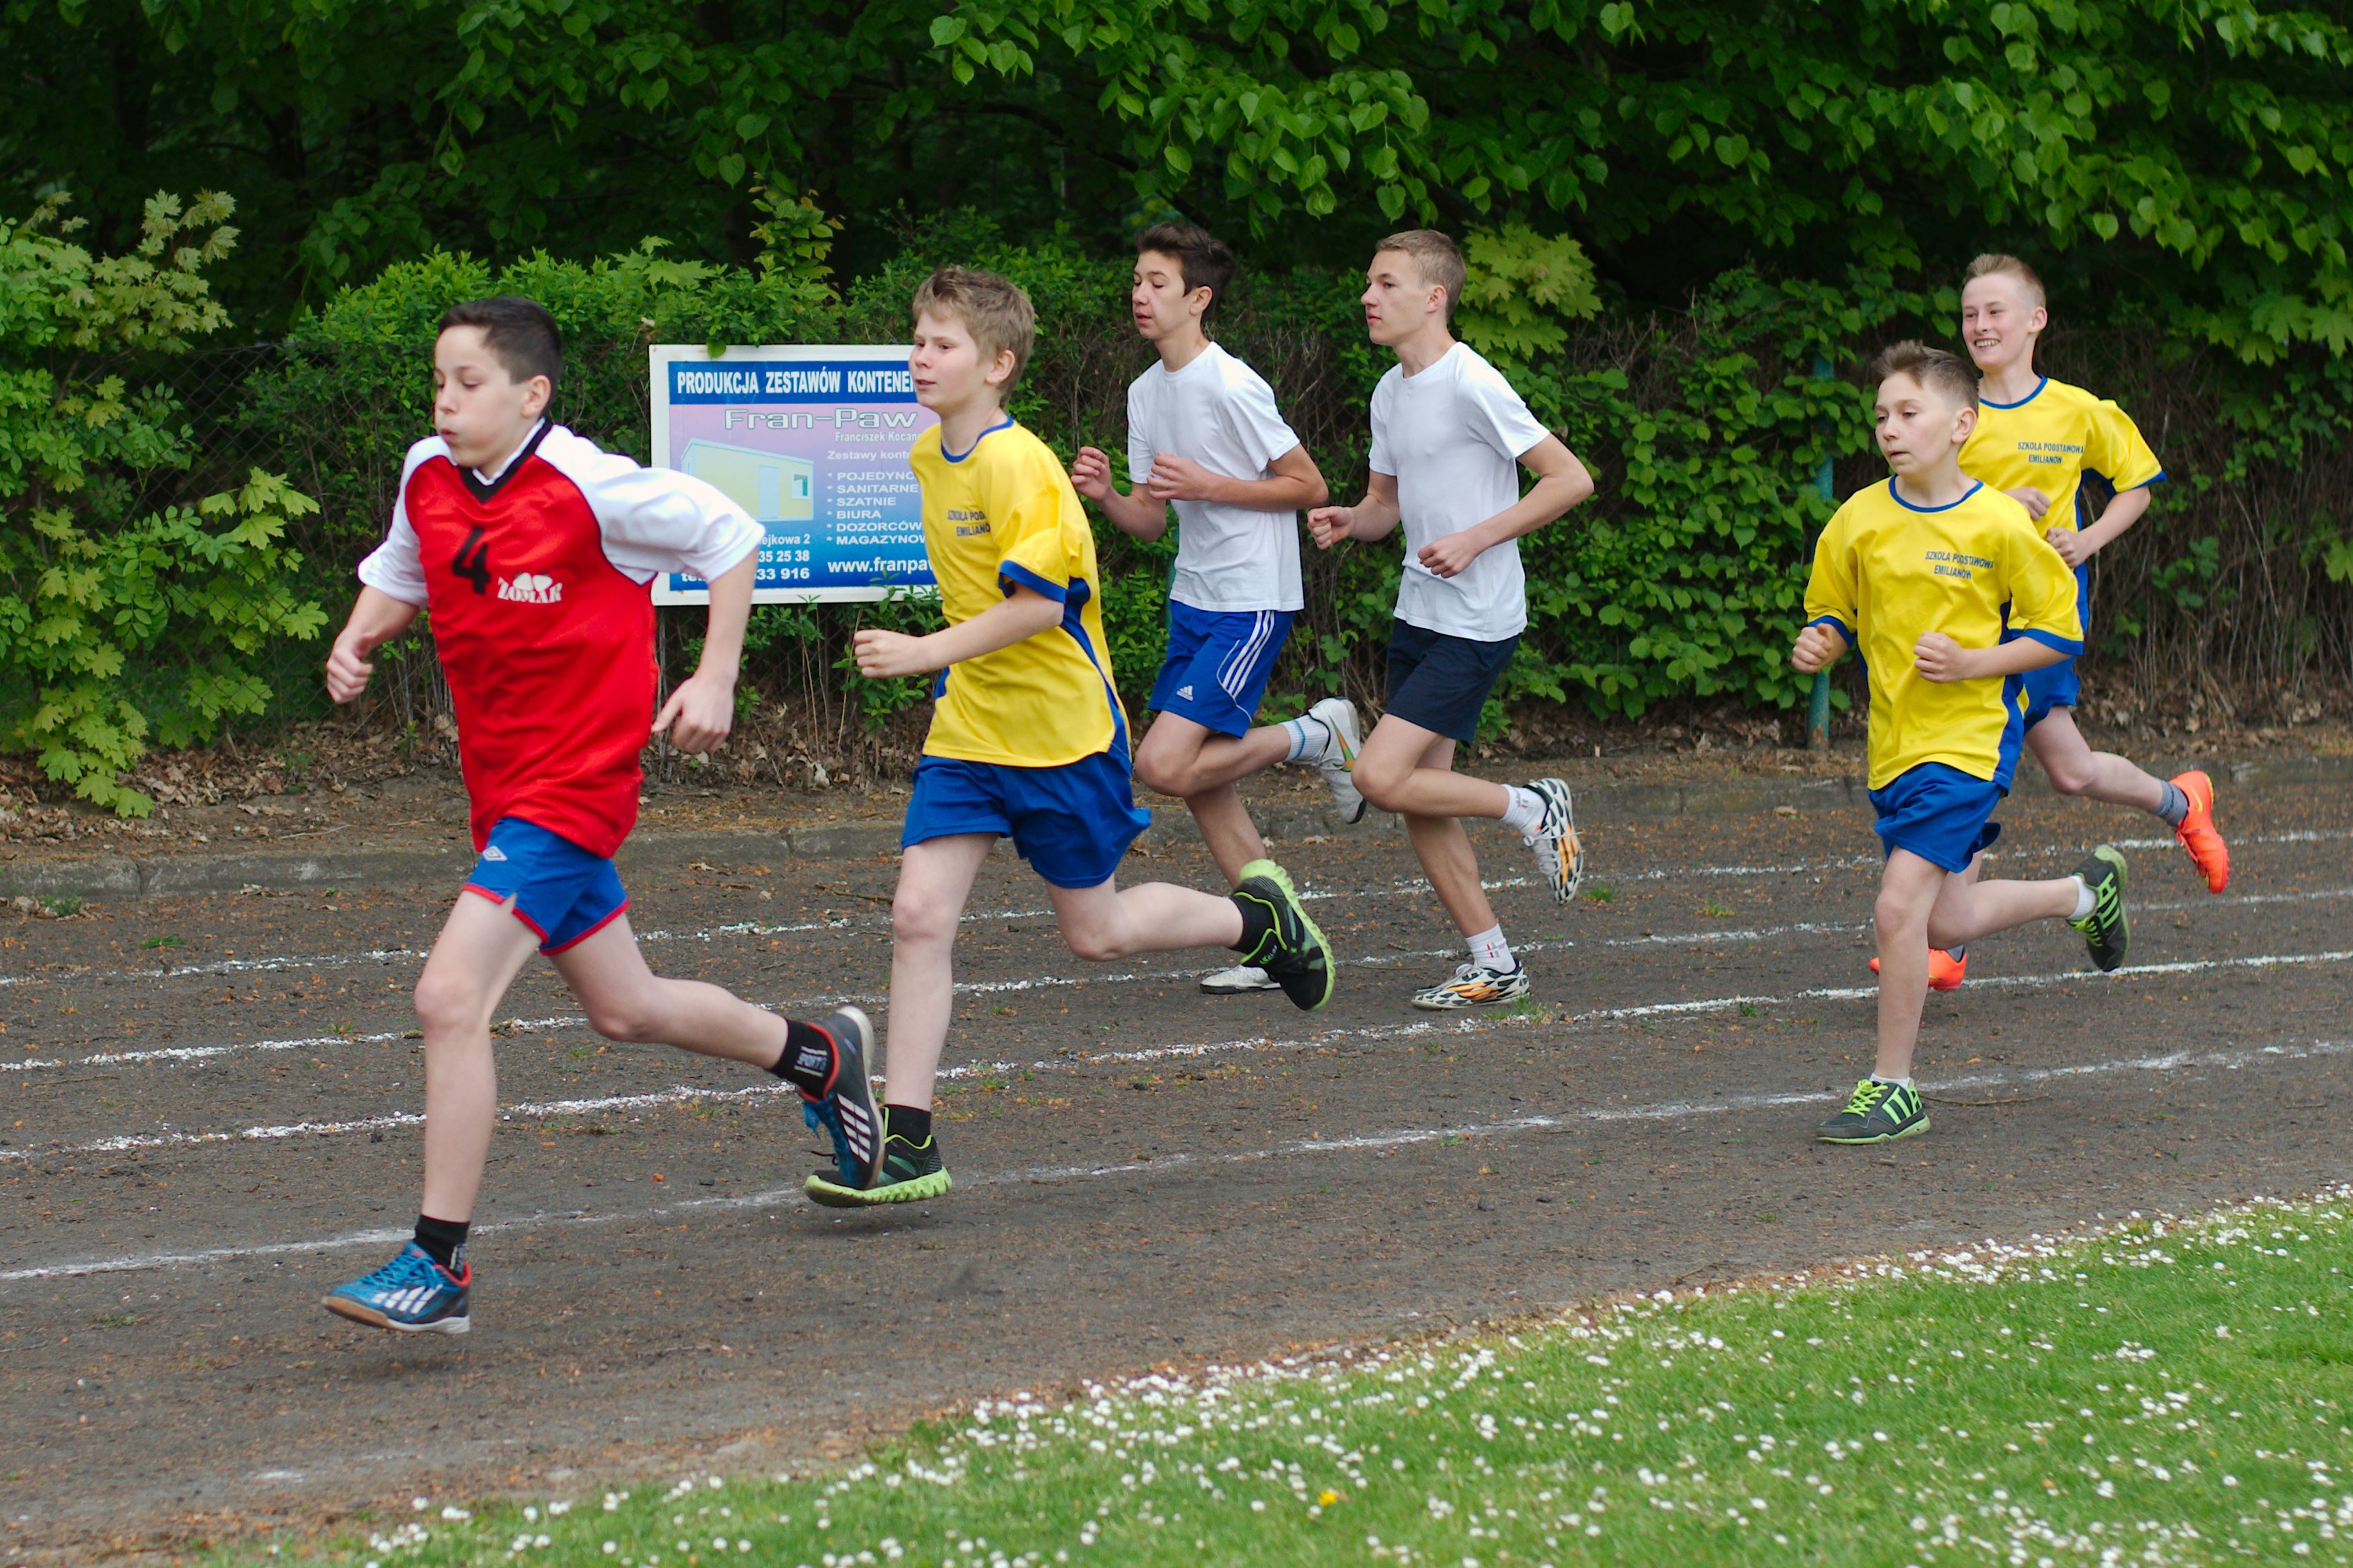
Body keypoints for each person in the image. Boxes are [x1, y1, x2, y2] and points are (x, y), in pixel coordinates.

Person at [316, 296, 882, 1335]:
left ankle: (437, 1264)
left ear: (531, 394)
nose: (445, 401)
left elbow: (732, 536)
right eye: (438, 382)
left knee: (449, 996)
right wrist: (360, 636)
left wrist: (714, 678)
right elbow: (402, 573)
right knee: (627, 1008)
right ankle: (818, 1055)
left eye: (468, 383)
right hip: (498, 788)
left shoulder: (593, 485)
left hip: (574, 789)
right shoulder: (425, 475)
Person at [813, 266, 1334, 1206]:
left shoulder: (1023, 466)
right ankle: (911, 1143)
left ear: (998, 364)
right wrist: (946, 665)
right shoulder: (932, 455)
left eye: (942, 344)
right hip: (972, 728)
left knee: (1095, 932)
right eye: (918, 339)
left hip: (1061, 732)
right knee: (918, 915)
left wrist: (927, 647)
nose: (920, 357)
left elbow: (1040, 609)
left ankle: (1259, 922)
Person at [1796, 341, 2131, 1147]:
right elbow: (1834, 609)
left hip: (1970, 746)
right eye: (1880, 415)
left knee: (1895, 907)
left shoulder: (1997, 524)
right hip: (1893, 749)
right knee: (1941, 924)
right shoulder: (1857, 518)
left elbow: (2058, 633)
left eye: (1908, 412)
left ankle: (1893, 1087)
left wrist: (1976, 662)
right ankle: (2081, 895)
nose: (1889, 428)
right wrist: (1822, 641)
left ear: (1960, 424)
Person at [1881, 253, 2228, 993]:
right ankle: (2178, 801)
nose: (1979, 325)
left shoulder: (2076, 411)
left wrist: (2086, 539)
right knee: (2067, 769)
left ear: (2035, 320)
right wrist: (2002, 501)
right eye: (1969, 314)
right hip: (1964, 614)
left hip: (2035, 621)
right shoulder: (1947, 407)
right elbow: (1920, 493)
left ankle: (1947, 932)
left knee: (1979, 754)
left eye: (1994, 312)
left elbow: (2135, 485)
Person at [1305, 229, 1595, 1010]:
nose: (1367, 296)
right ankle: (1493, 964)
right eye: (1367, 282)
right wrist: (1348, 520)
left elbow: (1569, 480)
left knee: (1378, 777)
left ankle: (1531, 806)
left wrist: (1475, 537)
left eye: (1386, 283)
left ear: (1433, 297)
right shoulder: (1388, 391)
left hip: (1476, 619)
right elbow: (1384, 506)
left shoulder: (1473, 382)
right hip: (1418, 610)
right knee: (1418, 795)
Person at [1070, 222, 1358, 999]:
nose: (1139, 294)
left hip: (1250, 600)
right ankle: (1276, 936)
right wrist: (1103, 499)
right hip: (1192, 598)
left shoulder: (1232, 384)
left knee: (1161, 765)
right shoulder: (1143, 391)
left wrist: (1210, 485)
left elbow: (1309, 486)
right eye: (1135, 280)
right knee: (1200, 783)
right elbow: (1150, 520)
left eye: (1156, 283)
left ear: (1197, 299)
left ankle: (1314, 733)